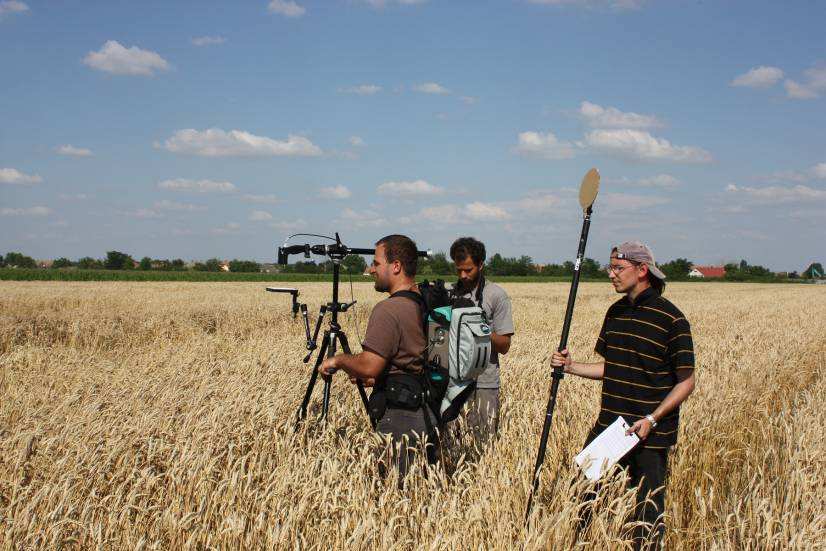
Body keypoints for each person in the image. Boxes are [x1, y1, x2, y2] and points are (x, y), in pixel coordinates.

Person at [551, 241, 696, 549]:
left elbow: (686, 382)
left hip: (648, 434)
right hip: (610, 427)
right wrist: (570, 366)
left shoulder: (672, 320)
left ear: (642, 271)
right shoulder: (615, 313)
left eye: (618, 268)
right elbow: (610, 367)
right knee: (583, 502)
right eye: (610, 268)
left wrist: (652, 419)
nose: (611, 275)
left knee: (647, 514)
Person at [319, 234, 436, 482]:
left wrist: (338, 360)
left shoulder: (389, 309)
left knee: (395, 494)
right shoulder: (421, 300)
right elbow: (411, 357)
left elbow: (370, 366)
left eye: (376, 263)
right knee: (419, 498)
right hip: (425, 411)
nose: (371, 269)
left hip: (400, 419)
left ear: (396, 266)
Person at [449, 237, 514, 443]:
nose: (463, 275)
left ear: (481, 264)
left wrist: (476, 325)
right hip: (453, 381)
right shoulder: (449, 293)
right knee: (452, 442)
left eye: (468, 270)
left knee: (484, 443)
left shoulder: (496, 295)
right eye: (458, 269)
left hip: (484, 382)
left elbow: (504, 345)